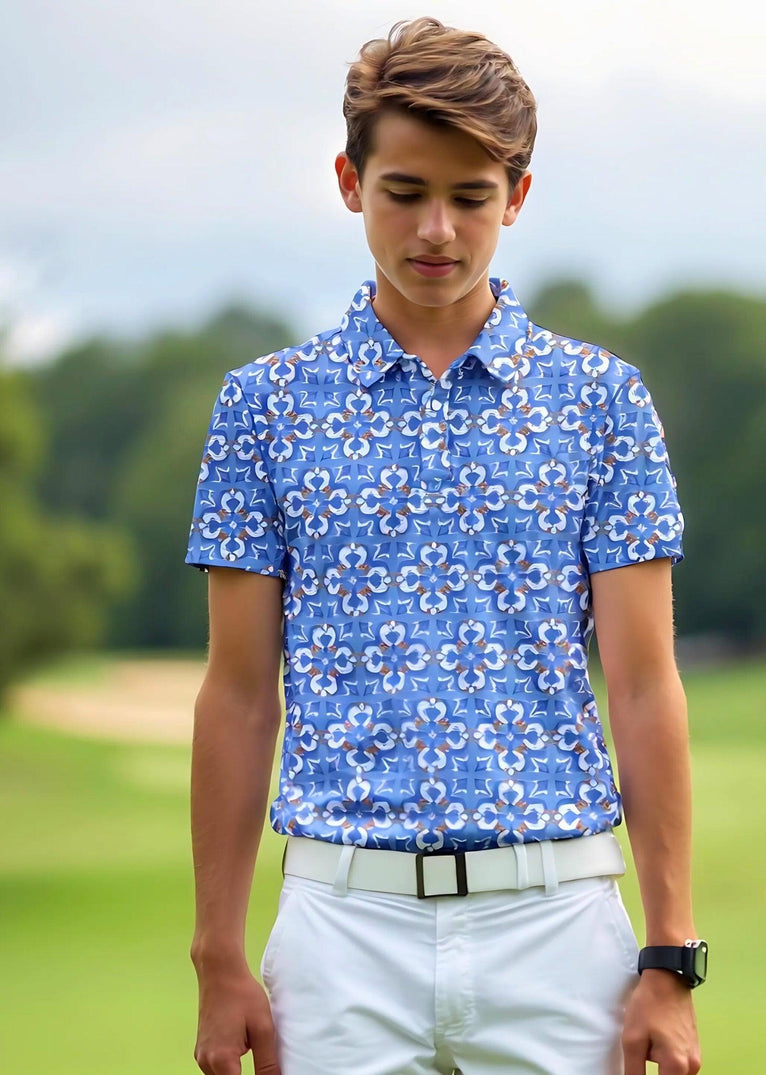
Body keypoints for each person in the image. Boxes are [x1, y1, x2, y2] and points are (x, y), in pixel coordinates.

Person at [185, 16, 705, 1075]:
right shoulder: (262, 409)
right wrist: (217, 956)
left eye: (470, 198)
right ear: (348, 181)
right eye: (403, 191)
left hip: (560, 926)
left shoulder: (601, 401)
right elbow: (239, 695)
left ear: (515, 195)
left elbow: (643, 686)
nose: (436, 229)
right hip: (337, 929)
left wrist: (669, 956)